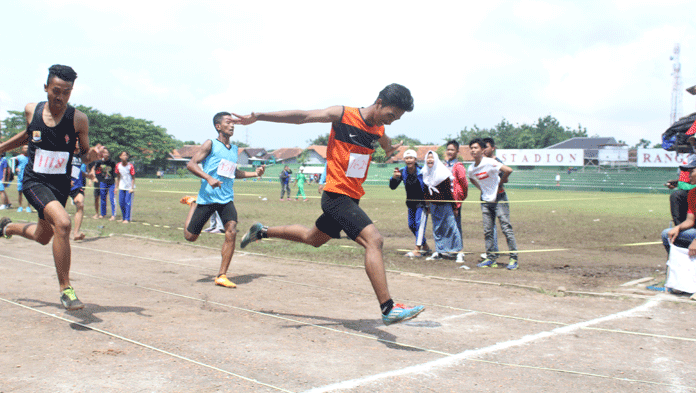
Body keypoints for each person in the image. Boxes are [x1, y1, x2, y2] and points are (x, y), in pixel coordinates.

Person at [235, 83, 424, 326]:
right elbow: (302, 117)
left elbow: (385, 142)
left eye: (396, 119)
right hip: (336, 195)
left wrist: (389, 149)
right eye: (390, 115)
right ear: (379, 102)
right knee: (374, 240)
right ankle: (388, 307)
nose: (390, 122)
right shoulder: (342, 115)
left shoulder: (378, 128)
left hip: (352, 196)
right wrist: (259, 116)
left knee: (313, 238)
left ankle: (261, 231)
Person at [0, 64, 102, 310]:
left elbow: (84, 154)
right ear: (46, 88)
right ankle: (66, 289)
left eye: (67, 92)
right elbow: (28, 134)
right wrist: (2, 148)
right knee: (64, 223)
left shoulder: (78, 119)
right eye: (56, 90)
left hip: (59, 185)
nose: (61, 96)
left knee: (43, 236)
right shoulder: (31, 110)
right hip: (34, 181)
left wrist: (94, 156)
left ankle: (6, 226)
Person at [183, 111, 265, 288]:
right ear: (218, 126)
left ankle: (222, 275)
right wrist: (208, 178)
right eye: (228, 122)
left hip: (226, 198)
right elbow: (191, 164)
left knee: (232, 230)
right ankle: (193, 204)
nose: (233, 125)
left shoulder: (234, 150)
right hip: (207, 197)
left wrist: (255, 174)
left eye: (233, 122)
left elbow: (234, 173)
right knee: (190, 237)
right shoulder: (210, 144)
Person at [468, 138, 519, 270]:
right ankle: (491, 258)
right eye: (471, 148)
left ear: (483, 150)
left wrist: (499, 184)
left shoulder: (490, 162)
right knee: (488, 230)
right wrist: (481, 189)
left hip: (499, 198)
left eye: (476, 148)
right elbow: (471, 178)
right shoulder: (471, 168)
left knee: (506, 227)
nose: (473, 150)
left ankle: (513, 258)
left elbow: (508, 170)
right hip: (485, 201)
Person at [422, 151, 463, 261]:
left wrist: (454, 207)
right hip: (433, 205)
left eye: (432, 158)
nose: (430, 160)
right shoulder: (425, 172)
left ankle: (458, 251)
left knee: (451, 227)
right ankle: (440, 251)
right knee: (437, 228)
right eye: (428, 158)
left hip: (445, 205)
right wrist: (428, 205)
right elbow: (426, 191)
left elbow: (449, 192)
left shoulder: (443, 173)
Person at [389, 148, 431, 257]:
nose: (409, 160)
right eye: (407, 158)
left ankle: (417, 250)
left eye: (411, 158)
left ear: (415, 159)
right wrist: (394, 178)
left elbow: (428, 187)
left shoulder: (422, 171)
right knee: (412, 226)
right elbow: (392, 187)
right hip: (410, 204)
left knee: (419, 224)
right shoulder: (402, 171)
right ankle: (425, 247)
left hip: (422, 203)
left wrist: (429, 204)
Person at [662, 158, 696, 256]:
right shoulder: (693, 193)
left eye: (692, 171)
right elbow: (690, 220)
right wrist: (678, 228)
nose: (688, 175)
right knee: (667, 234)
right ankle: (677, 267)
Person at [442, 140, 469, 264]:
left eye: (452, 150)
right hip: (444, 200)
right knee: (446, 225)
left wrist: (460, 199)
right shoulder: (444, 164)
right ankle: (449, 249)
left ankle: (460, 251)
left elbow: (464, 183)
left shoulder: (458, 166)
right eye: (448, 149)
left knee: (456, 226)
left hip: (454, 201)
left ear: (457, 151)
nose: (449, 152)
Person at [69, 141, 88, 240]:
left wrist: (87, 175)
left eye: (79, 142)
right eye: (75, 142)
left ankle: (76, 233)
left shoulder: (80, 156)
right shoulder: (66, 152)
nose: (77, 144)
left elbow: (77, 169)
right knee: (58, 208)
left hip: (76, 185)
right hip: (62, 184)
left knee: (80, 204)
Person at [91, 148, 116, 220]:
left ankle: (113, 215)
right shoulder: (99, 162)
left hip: (111, 183)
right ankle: (103, 214)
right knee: (103, 198)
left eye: (106, 153)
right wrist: (94, 178)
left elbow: (115, 172)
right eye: (104, 153)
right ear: (102, 154)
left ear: (108, 154)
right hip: (103, 182)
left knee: (112, 198)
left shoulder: (112, 162)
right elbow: (94, 170)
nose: (105, 154)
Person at [115, 151, 135, 223]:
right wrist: (116, 187)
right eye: (123, 155)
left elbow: (133, 177)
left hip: (129, 188)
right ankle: (123, 217)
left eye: (126, 155)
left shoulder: (130, 166)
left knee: (127, 202)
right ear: (120, 157)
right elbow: (118, 177)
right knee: (121, 202)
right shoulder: (118, 165)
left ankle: (127, 218)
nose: (125, 156)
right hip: (121, 187)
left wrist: (132, 188)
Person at [14, 145, 31, 213]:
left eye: (27, 148)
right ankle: (20, 207)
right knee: (20, 193)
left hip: (29, 178)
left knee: (29, 193)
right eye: (25, 148)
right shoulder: (18, 157)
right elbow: (15, 166)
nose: (26, 149)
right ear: (22, 149)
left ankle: (28, 207)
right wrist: (16, 169)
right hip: (20, 178)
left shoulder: (31, 157)